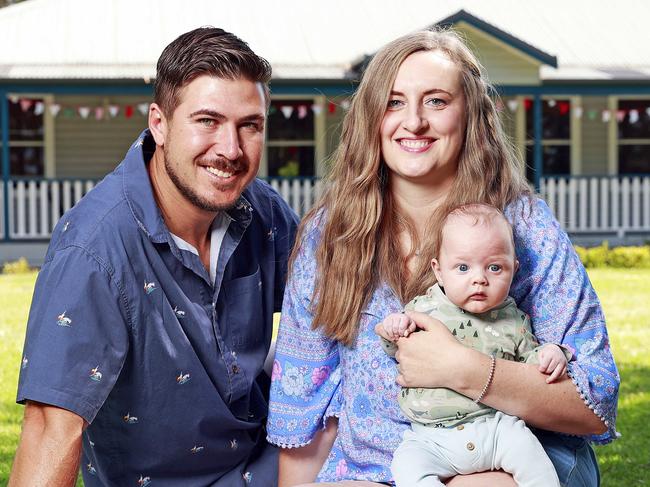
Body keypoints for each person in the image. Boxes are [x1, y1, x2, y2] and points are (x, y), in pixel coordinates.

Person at [267, 28, 619, 487]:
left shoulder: (523, 225)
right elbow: (306, 414)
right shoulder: (330, 235)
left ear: (471, 114)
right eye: (394, 102)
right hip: (376, 468)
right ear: (371, 117)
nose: (413, 122)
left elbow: (593, 404)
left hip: (507, 456)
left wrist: (466, 370)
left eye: (435, 101)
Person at [10, 27, 298, 486]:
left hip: (276, 468)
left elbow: (340, 307)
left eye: (250, 125)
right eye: (207, 121)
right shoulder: (95, 248)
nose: (231, 149)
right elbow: (51, 429)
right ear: (159, 124)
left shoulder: (262, 212)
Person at [380, 203, 570, 486]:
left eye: (495, 267)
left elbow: (532, 364)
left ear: (513, 270)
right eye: (463, 267)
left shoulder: (515, 321)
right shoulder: (424, 309)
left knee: (531, 455)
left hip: (496, 429)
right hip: (432, 436)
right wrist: (392, 328)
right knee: (406, 464)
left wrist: (552, 353)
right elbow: (398, 349)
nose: (479, 278)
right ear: (439, 271)